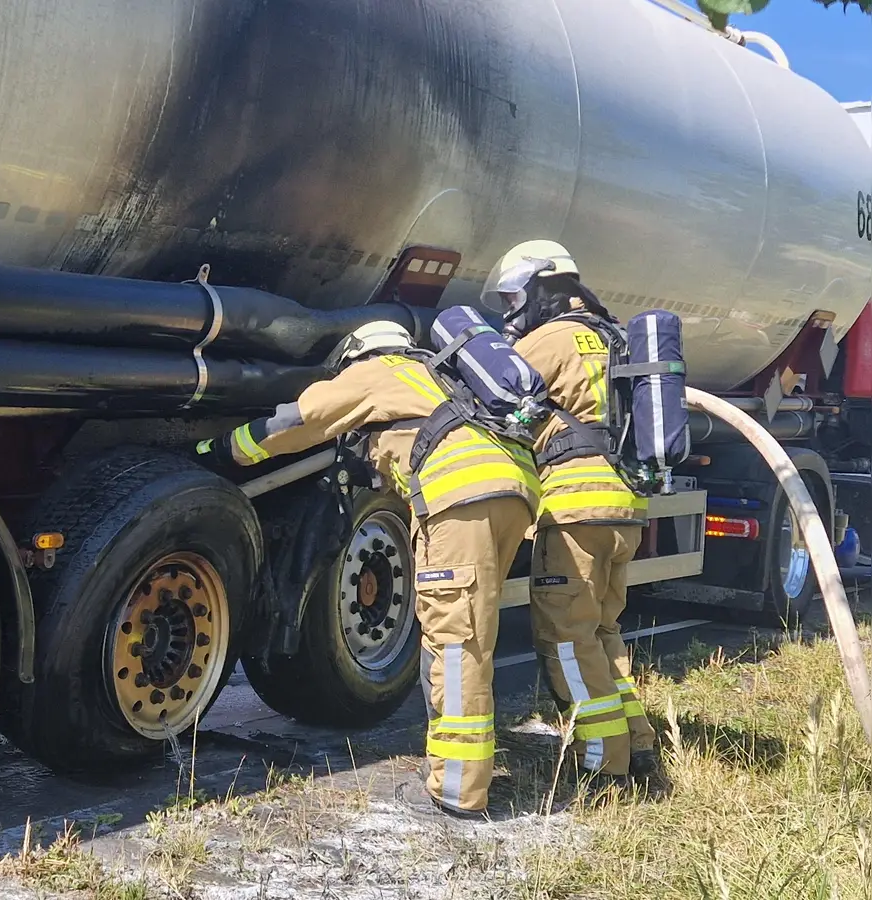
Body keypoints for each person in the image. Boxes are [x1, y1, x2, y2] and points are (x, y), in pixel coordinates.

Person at [194, 319, 539, 819]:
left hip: (462, 498)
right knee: (473, 632)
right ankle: (464, 773)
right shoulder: (439, 377)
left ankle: (457, 788)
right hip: (512, 492)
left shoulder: (377, 372)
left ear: (358, 354)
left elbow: (300, 421)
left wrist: (222, 451)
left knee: (454, 640)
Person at [484, 240, 659, 788]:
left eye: (515, 295)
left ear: (542, 288)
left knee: (566, 636)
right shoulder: (613, 333)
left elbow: (493, 397)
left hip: (575, 507)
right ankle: (640, 745)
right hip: (625, 508)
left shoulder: (548, 340)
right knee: (602, 631)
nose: (511, 309)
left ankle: (605, 765)